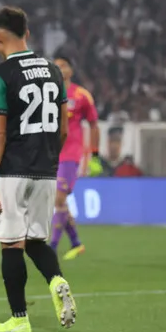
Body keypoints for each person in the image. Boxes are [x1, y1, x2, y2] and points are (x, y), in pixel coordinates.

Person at [0, 7, 77, 332]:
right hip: (46, 170)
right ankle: (56, 280)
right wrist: (49, 158)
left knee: (11, 243)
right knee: (36, 239)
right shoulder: (54, 71)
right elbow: (64, 129)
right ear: (28, 32)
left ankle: (19, 318)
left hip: (12, 171)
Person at [50, 56, 100, 260]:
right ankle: (76, 243)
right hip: (52, 153)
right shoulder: (48, 95)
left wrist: (95, 155)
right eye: (56, 66)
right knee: (60, 201)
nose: (59, 69)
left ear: (71, 70)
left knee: (59, 198)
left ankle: (51, 246)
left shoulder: (81, 95)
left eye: (63, 66)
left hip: (71, 155)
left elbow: (94, 124)